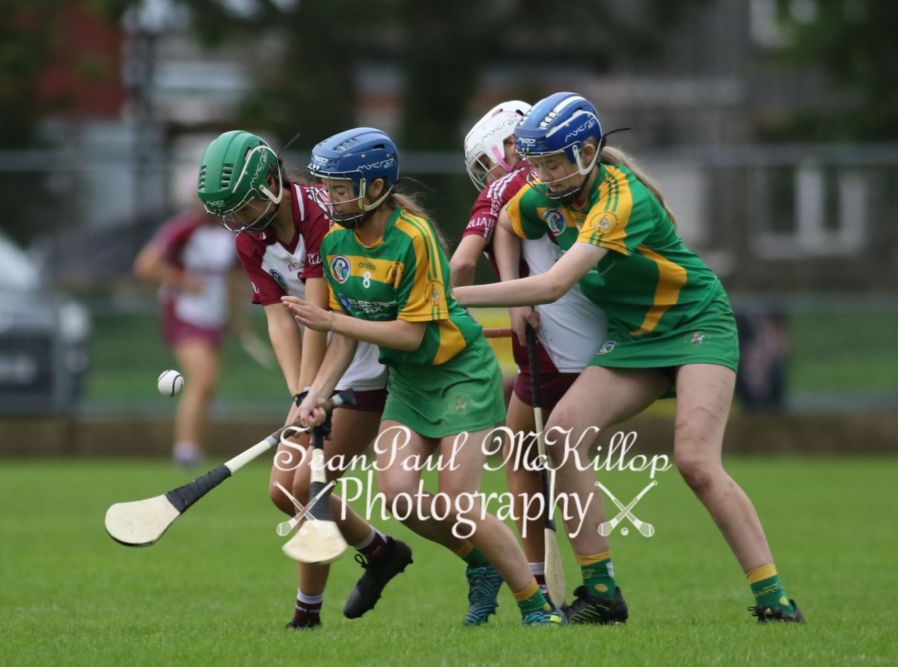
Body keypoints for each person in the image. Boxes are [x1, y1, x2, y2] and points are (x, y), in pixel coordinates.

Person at [454, 92, 804, 624]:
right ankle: (602, 594)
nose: (541, 176)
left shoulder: (620, 199)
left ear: (586, 152)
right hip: (635, 337)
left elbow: (554, 284)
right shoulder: (547, 192)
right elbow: (506, 222)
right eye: (536, 164)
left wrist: (449, 297)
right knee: (562, 435)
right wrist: (514, 295)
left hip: (695, 324)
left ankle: (774, 598)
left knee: (695, 462)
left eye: (552, 163)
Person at [283, 127, 565, 626]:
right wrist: (316, 395)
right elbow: (344, 340)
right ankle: (481, 564)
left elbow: (410, 335)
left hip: (460, 375)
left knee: (459, 501)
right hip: (409, 384)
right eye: (326, 187)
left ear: (375, 188)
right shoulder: (335, 243)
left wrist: (329, 321)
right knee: (400, 497)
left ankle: (535, 606)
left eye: (339, 189)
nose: (329, 198)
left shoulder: (413, 238)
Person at [196, 130, 411, 629]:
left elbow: (318, 312)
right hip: (323, 364)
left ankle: (306, 614)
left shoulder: (322, 212)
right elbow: (280, 320)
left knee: (308, 486)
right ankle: (381, 552)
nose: (240, 221)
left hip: (365, 356)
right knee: (283, 491)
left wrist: (311, 393)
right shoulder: (250, 240)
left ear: (273, 182)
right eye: (231, 214)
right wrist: (299, 391)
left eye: (245, 207)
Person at [450, 101, 606, 610]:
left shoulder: (504, 187)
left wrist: (449, 317)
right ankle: (568, 580)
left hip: (554, 344)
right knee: (538, 453)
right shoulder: (579, 180)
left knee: (526, 458)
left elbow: (461, 263)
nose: (487, 175)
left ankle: (546, 581)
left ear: (511, 144)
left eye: (487, 160)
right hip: (597, 335)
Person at [134, 206, 239, 468]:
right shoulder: (182, 229)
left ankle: (196, 450)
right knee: (202, 379)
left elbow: (231, 278)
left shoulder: (232, 232)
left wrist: (235, 316)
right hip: (185, 314)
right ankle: (185, 450)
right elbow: (145, 266)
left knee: (210, 386)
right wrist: (182, 280)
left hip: (214, 317)